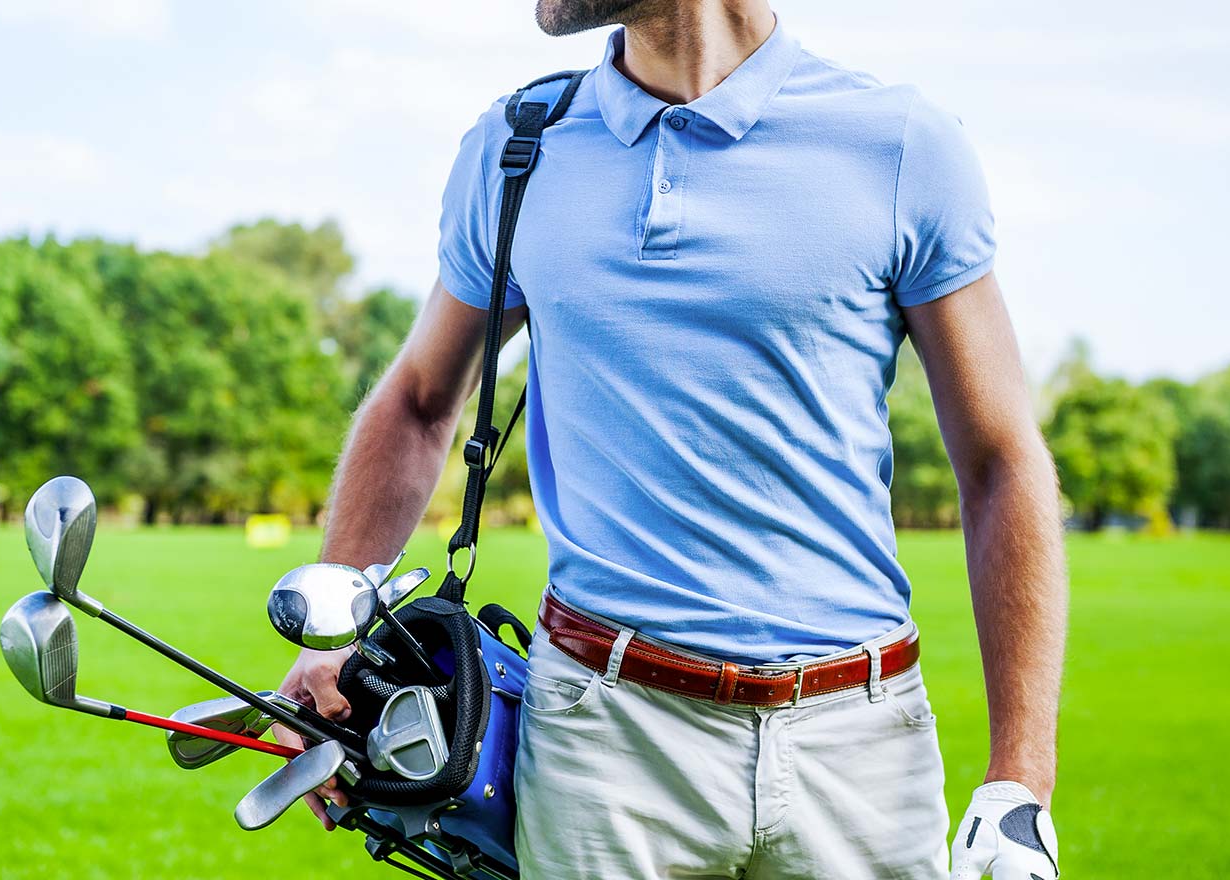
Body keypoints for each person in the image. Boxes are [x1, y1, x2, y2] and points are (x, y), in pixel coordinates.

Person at [276, 1, 1067, 877]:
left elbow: (1000, 462)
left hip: (862, 751)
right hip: (603, 744)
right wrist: (337, 629)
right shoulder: (517, 149)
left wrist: (1018, 784)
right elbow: (420, 402)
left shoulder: (901, 146)